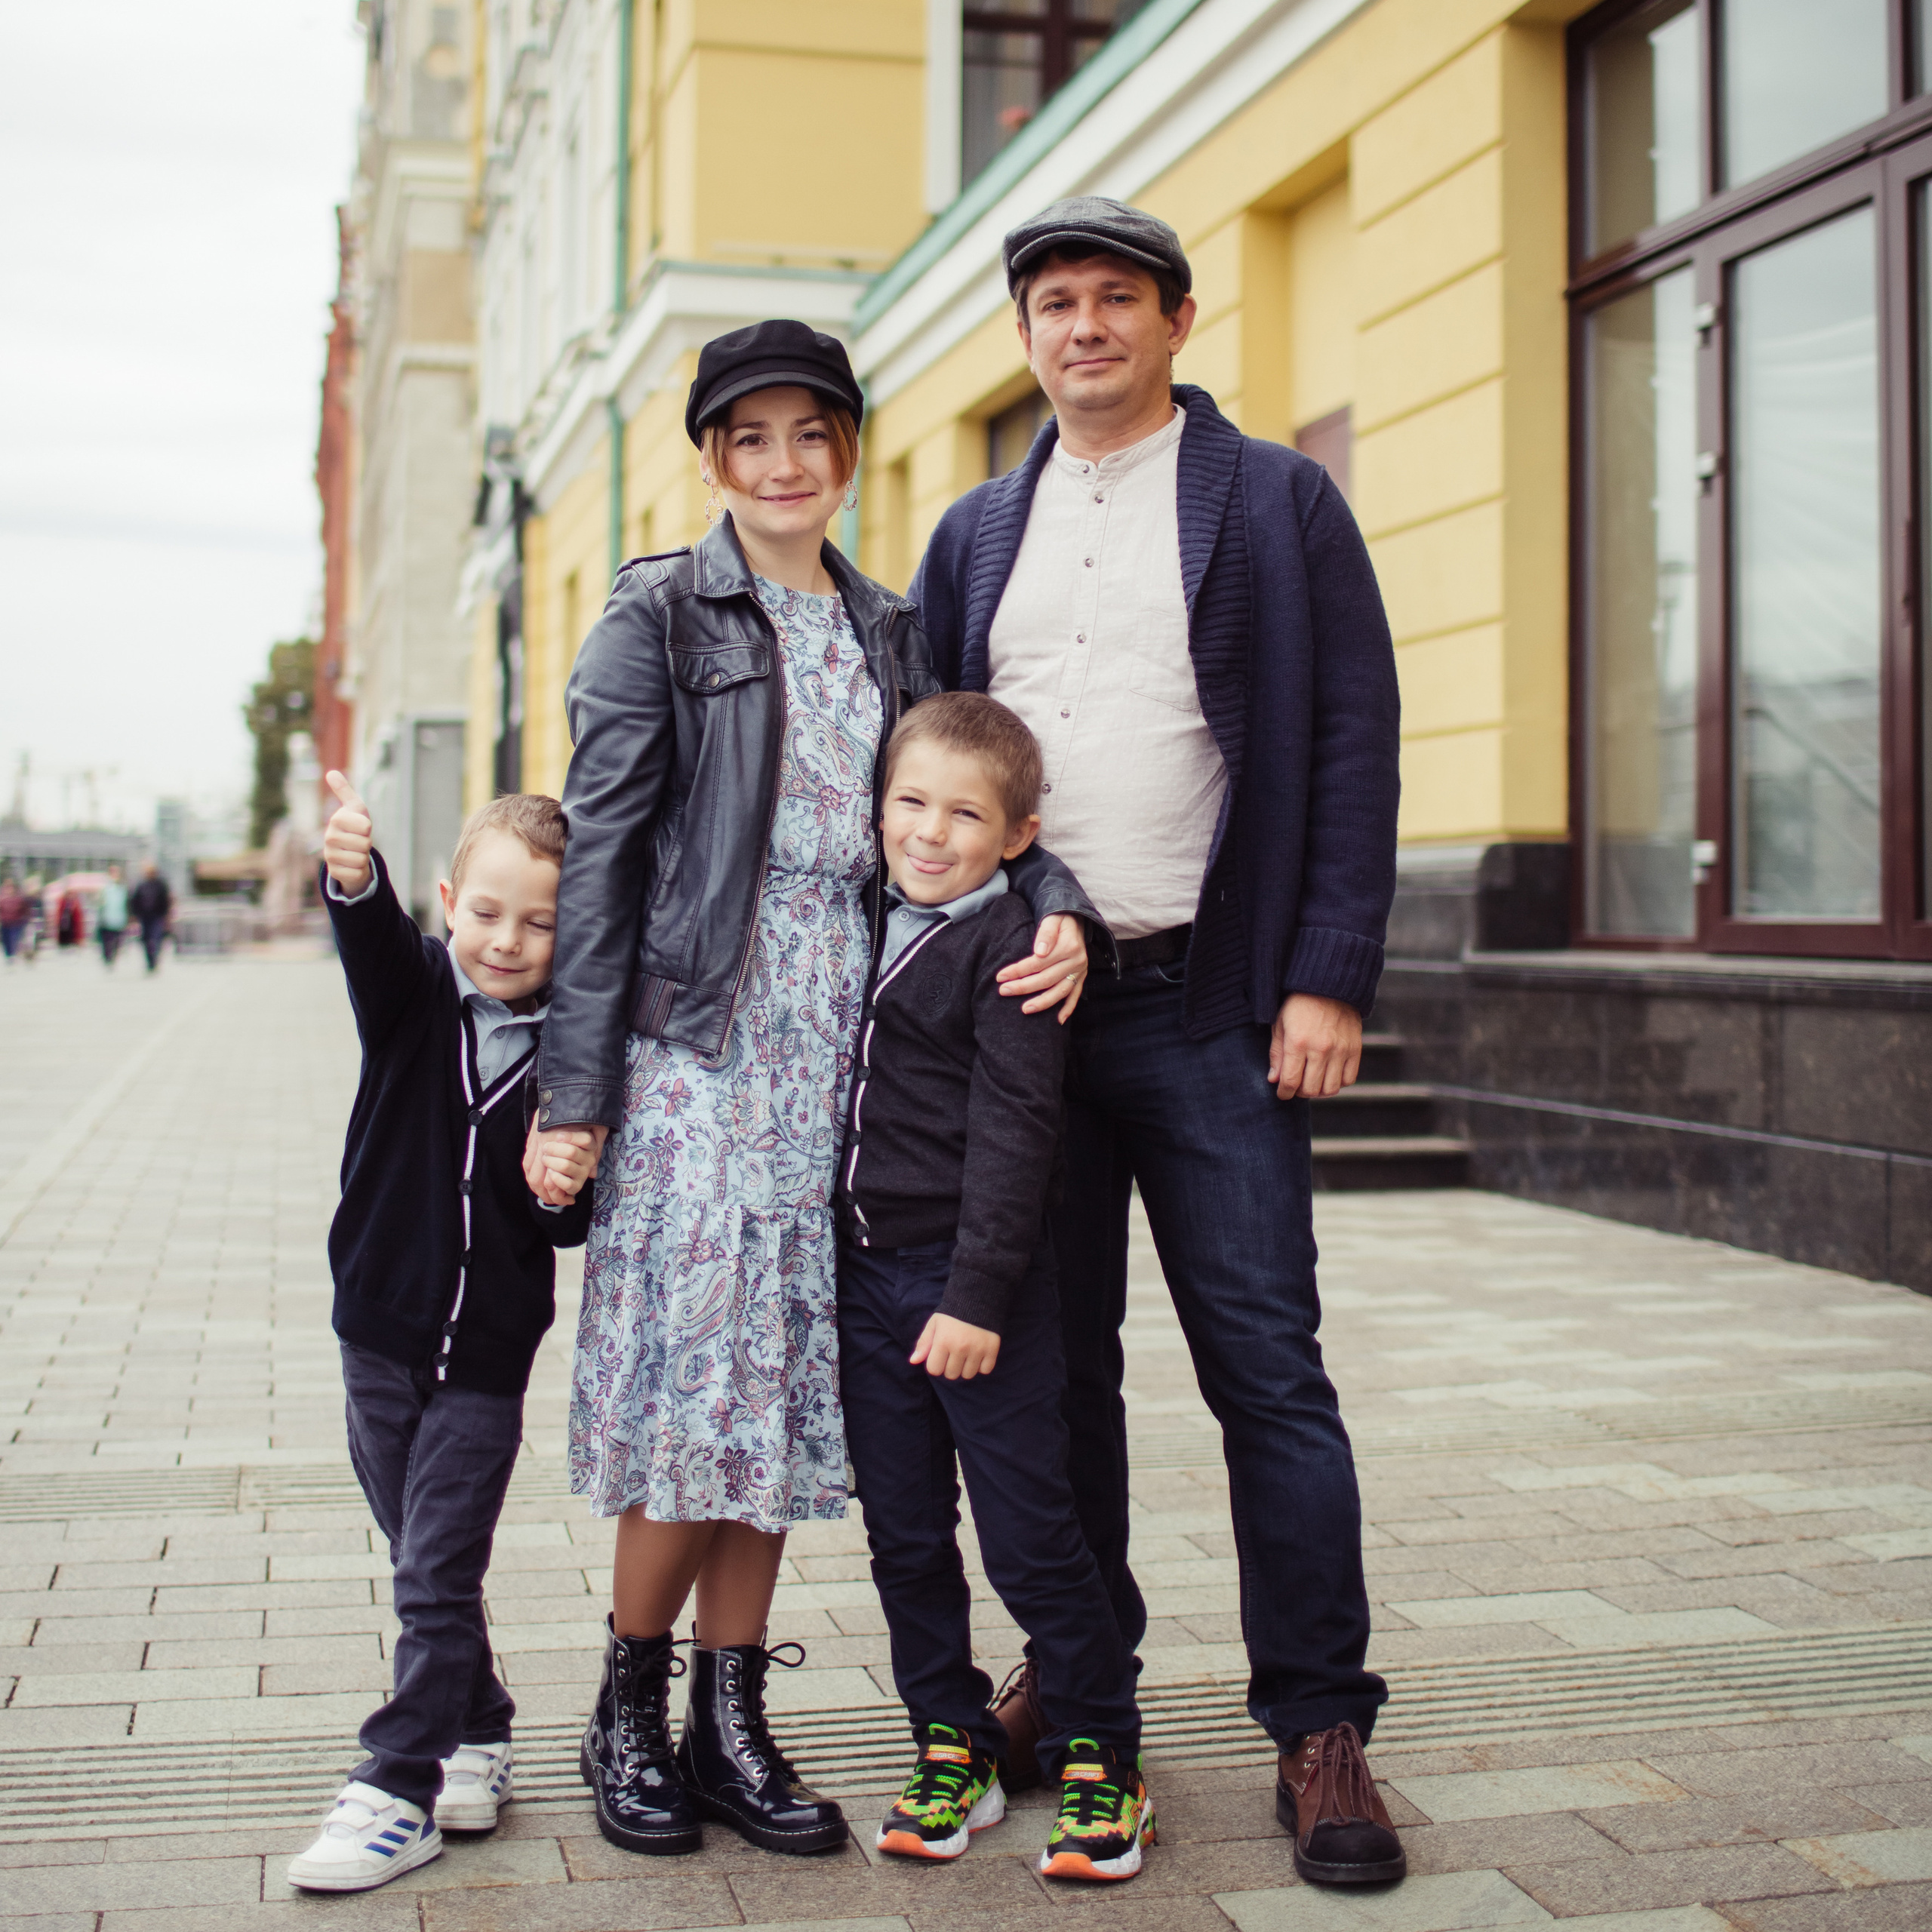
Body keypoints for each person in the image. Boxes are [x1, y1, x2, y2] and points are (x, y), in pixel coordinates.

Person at [527, 321, 1096, 1860]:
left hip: (844, 1061)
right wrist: (574, 1094)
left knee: (772, 1399)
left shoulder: (891, 628)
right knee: (693, 1395)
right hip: (701, 1050)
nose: (783, 464)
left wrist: (1053, 901)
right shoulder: (658, 613)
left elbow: (967, 797)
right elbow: (601, 859)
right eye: (750, 437)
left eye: (809, 434)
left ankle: (732, 1721)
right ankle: (627, 1709)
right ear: (713, 459)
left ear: (847, 448)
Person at [912, 198, 1406, 1887]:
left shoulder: (1273, 499)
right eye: (1054, 304)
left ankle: (1320, 1727)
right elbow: (939, 766)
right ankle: (1075, 1670)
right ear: (1026, 337)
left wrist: (1328, 973)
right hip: (1025, 1023)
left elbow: (1351, 736)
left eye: (1114, 298)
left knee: (1266, 1369)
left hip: (1211, 1008)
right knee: (1051, 1380)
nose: (1083, 327)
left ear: (1177, 320)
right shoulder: (976, 531)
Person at [839, 692, 1151, 1882]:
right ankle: (950, 1742)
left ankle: (1100, 1755)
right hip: (865, 1282)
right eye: (910, 803)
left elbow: (1021, 1136)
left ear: (1020, 834)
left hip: (975, 1293)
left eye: (965, 815)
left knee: (1031, 1538)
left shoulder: (1016, 947)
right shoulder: (857, 915)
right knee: (906, 1535)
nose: (930, 832)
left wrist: (973, 1296)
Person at [287, 777, 594, 1894]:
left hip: (485, 1366)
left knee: (434, 1567)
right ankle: (482, 1723)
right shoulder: (413, 994)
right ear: (450, 902)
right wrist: (353, 876)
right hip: (376, 1336)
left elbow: (567, 1227)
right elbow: (368, 937)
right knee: (421, 1557)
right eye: (488, 913)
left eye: (540, 922)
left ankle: (396, 1784)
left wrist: (563, 1183)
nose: (507, 941)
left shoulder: (575, 1056)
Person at [129, 863, 171, 971]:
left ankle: (155, 958)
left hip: (157, 916)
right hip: (144, 917)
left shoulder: (160, 885)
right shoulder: (141, 885)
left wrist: (166, 915)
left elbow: (166, 901)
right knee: (146, 939)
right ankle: (150, 960)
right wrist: (134, 915)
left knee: (156, 937)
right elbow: (135, 901)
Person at [97, 865, 128, 968]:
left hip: (119, 919)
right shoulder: (105, 888)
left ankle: (113, 957)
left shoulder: (122, 889)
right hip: (107, 919)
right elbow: (100, 903)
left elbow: (126, 904)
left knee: (117, 941)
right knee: (107, 941)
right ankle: (107, 957)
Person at [0, 878, 27, 964]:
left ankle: (14, 954)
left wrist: (24, 919)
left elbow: (24, 910)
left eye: (11, 887)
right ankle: (9, 955)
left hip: (16, 923)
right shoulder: (2, 898)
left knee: (14, 939)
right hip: (5, 923)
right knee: (6, 940)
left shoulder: (19, 898)